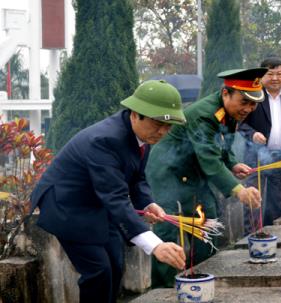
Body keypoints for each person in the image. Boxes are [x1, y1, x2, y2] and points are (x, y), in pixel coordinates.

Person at [30, 80, 187, 303]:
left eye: (169, 125)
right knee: (98, 271)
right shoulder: (105, 140)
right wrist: (156, 245)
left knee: (115, 263)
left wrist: (147, 203)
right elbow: (115, 197)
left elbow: (136, 178)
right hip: (67, 205)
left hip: (97, 202)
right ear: (135, 114)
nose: (163, 131)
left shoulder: (144, 136)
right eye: (158, 123)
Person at [146, 67, 268, 288]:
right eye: (244, 102)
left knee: (208, 222)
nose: (248, 109)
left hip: (195, 172)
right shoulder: (205, 114)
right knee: (169, 230)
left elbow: (223, 145)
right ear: (225, 93)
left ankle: (202, 277)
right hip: (169, 172)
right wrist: (239, 190)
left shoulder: (229, 112)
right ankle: (162, 290)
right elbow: (210, 159)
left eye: (253, 104)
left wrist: (232, 163)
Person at [238, 57, 281, 233]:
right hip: (256, 157)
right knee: (253, 198)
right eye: (270, 74)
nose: (275, 78)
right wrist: (252, 134)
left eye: (279, 74)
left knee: (278, 200)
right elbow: (240, 122)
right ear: (261, 77)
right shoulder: (253, 94)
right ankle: (250, 236)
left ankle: (274, 234)